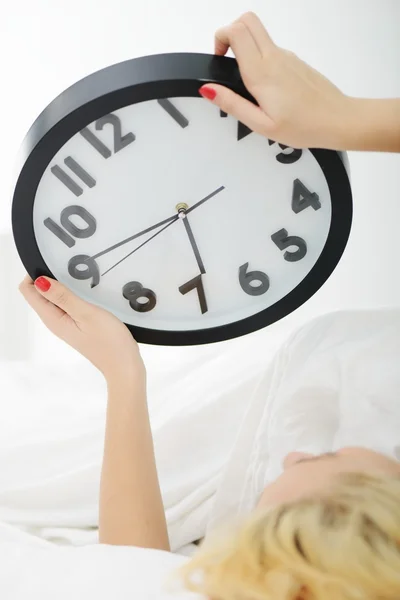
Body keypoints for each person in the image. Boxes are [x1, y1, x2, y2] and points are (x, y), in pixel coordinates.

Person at [19, 11, 400, 600]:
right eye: (320, 458)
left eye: (288, 469)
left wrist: (124, 375)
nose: (294, 450)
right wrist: (343, 119)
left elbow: (131, 574)